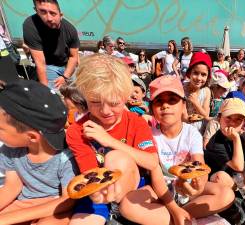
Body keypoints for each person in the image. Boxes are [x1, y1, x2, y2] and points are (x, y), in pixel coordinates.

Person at [120, 75, 234, 225]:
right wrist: (173, 208)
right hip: (160, 188)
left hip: (186, 186)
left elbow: (199, 167)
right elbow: (156, 176)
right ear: (152, 109)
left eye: (172, 100)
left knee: (226, 194)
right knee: (127, 205)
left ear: (183, 106)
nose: (165, 105)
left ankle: (176, 216)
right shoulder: (148, 133)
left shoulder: (191, 133)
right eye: (159, 101)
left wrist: (198, 186)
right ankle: (178, 216)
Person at [66, 54, 159, 225]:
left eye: (114, 103)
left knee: (115, 157)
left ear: (125, 96)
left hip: (134, 188)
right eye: (95, 102)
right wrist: (95, 194)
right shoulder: (76, 130)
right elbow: (90, 174)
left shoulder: (136, 122)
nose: (105, 110)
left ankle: (118, 211)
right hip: (99, 192)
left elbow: (152, 162)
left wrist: (108, 140)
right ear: (84, 96)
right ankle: (112, 213)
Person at [0, 79, 77, 224]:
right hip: (24, 202)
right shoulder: (10, 150)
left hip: (56, 207)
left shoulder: (66, 157)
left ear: (32, 137)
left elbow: (68, 200)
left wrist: (8, 218)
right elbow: (12, 186)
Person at [205, 98, 245, 202]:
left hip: (235, 175)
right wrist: (236, 138)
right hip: (220, 178)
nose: (232, 123)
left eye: (238, 119)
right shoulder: (216, 143)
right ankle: (241, 196)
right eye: (228, 118)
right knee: (220, 177)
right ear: (219, 118)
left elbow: (240, 159)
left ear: (244, 121)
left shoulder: (240, 136)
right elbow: (238, 166)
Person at [23, 0, 79, 91]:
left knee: (78, 93)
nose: (49, 18)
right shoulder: (30, 25)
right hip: (48, 65)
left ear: (61, 15)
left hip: (67, 65)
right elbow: (40, 64)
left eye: (53, 13)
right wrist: (47, 93)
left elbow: (73, 57)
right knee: (53, 94)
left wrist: (65, 77)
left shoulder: (70, 30)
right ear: (36, 10)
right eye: (43, 12)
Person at [183, 52, 212, 132]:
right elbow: (182, 114)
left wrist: (195, 102)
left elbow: (205, 115)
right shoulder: (183, 88)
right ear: (190, 73)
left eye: (203, 75)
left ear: (207, 76)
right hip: (184, 128)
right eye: (195, 73)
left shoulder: (206, 91)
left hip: (200, 129)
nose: (199, 78)